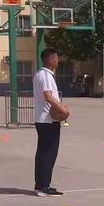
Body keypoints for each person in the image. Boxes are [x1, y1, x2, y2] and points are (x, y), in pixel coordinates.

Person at [33, 48, 69, 196]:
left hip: (44, 120)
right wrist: (63, 110)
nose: (57, 60)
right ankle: (42, 186)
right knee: (47, 153)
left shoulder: (39, 74)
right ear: (49, 59)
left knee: (44, 152)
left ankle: (42, 184)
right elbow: (48, 96)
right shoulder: (46, 75)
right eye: (56, 58)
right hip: (47, 121)